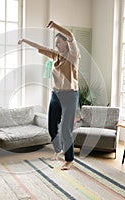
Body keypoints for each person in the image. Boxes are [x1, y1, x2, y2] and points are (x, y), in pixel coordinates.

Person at [18, 20, 80, 170]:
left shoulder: (73, 56)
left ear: (66, 43)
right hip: (56, 95)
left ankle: (69, 160)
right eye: (55, 43)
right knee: (52, 126)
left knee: (66, 128)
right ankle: (58, 149)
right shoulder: (55, 56)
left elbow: (71, 35)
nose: (56, 45)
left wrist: (56, 26)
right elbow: (40, 47)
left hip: (70, 96)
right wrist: (25, 40)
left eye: (59, 42)